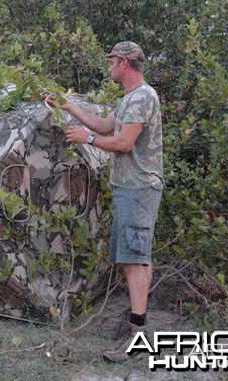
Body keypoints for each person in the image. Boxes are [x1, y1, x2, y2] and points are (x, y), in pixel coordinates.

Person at [46, 41, 163, 362]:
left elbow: (123, 142)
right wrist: (69, 106)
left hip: (139, 189)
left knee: (135, 260)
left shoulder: (142, 97)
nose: (108, 65)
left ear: (124, 62)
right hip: (131, 188)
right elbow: (103, 125)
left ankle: (138, 336)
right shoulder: (130, 99)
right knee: (135, 258)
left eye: (112, 60)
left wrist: (89, 140)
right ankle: (135, 323)